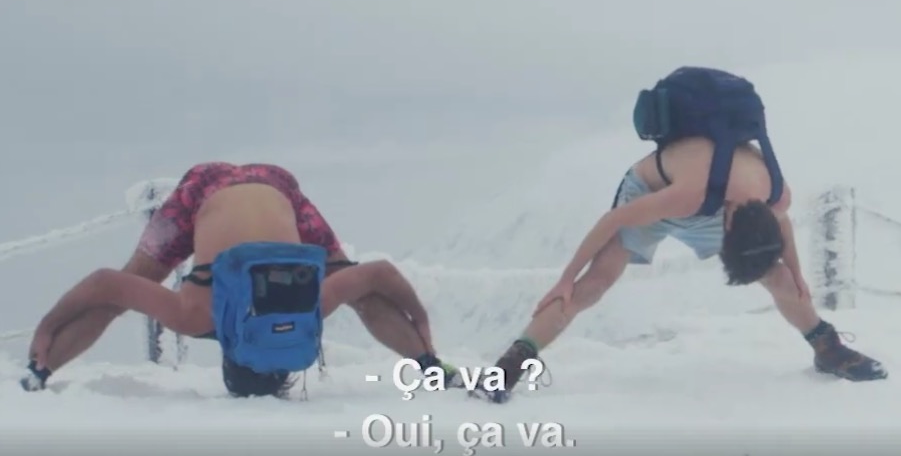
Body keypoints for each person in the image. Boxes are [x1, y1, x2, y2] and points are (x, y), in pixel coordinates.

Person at [471, 67, 887, 404]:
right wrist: (565, 279)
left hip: (710, 199)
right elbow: (611, 221)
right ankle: (511, 364)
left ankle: (827, 347)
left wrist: (797, 275)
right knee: (592, 285)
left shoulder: (776, 195)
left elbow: (783, 228)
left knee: (780, 279)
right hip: (652, 194)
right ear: (727, 226)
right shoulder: (687, 195)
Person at [22, 161, 459, 397]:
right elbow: (104, 285)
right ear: (228, 358)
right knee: (125, 289)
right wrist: (46, 330)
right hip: (218, 190)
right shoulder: (196, 317)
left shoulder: (303, 309)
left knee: (353, 283)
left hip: (268, 186)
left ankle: (430, 367)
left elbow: (379, 275)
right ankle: (38, 371)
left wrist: (422, 328)